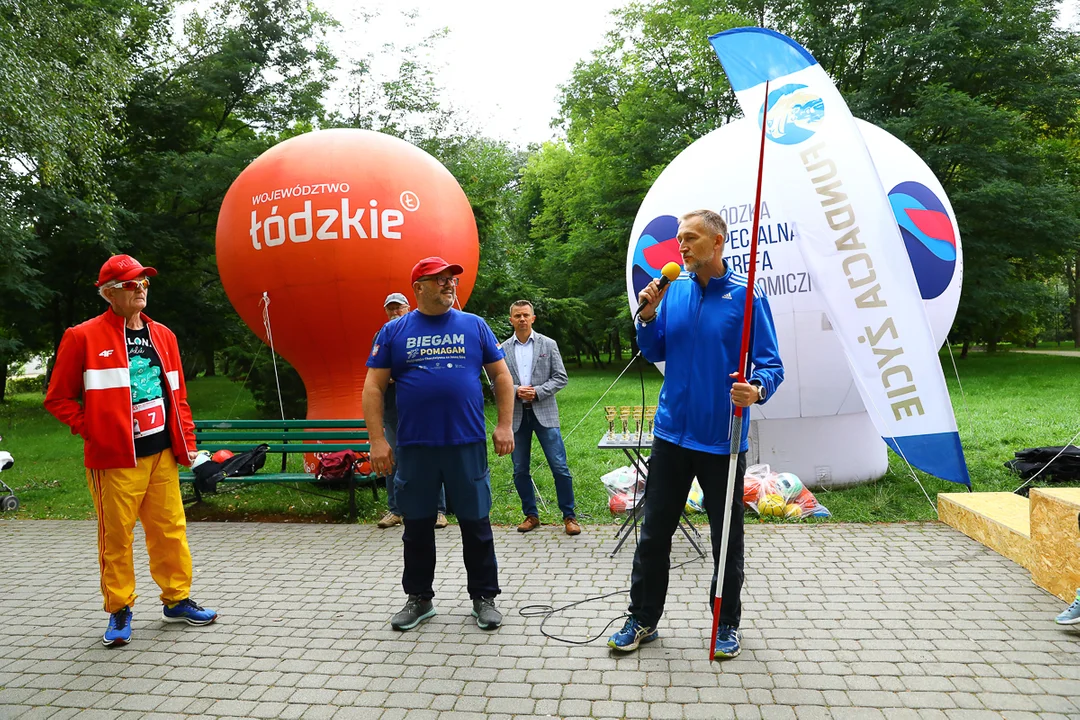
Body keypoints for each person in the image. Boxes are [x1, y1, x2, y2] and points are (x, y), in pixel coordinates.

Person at [607, 209, 783, 660]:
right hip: (670, 435)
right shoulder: (674, 290)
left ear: (718, 242)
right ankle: (643, 618)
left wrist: (756, 389)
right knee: (653, 532)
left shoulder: (747, 297)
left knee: (727, 538)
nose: (681, 247)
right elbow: (655, 349)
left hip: (721, 439)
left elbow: (771, 365)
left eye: (690, 238)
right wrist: (647, 316)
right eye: (679, 240)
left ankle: (725, 624)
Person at [44, 255, 218, 647]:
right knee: (117, 538)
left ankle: (176, 599)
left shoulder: (164, 336)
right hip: (115, 458)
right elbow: (57, 399)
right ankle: (119, 609)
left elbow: (179, 397)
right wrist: (94, 430)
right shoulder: (82, 336)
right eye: (129, 284)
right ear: (109, 294)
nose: (139, 288)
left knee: (170, 530)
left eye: (143, 282)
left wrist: (188, 447)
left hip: (161, 454)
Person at [363, 257, 515, 632]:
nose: (449, 285)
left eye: (451, 279)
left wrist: (505, 425)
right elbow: (373, 386)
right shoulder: (394, 332)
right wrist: (378, 439)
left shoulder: (474, 326)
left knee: (476, 525)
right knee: (416, 526)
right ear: (418, 288)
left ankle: (484, 598)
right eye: (440, 280)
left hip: (466, 443)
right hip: (415, 447)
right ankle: (419, 599)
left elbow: (501, 376)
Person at [499, 300, 580, 536]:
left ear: (533, 318)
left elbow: (560, 377)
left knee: (560, 467)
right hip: (516, 415)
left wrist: (538, 391)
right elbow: (497, 383)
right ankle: (531, 515)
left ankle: (569, 516)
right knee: (519, 469)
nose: (522, 319)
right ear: (511, 319)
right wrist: (515, 390)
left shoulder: (549, 344)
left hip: (544, 412)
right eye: (517, 316)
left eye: (526, 315)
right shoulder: (502, 349)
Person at [374, 292, 449, 531]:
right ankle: (395, 510)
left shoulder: (420, 330)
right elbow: (373, 375)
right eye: (390, 309)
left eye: (399, 308)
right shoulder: (382, 335)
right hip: (392, 409)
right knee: (392, 458)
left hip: (421, 407)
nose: (395, 312)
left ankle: (438, 511)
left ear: (408, 308)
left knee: (432, 456)